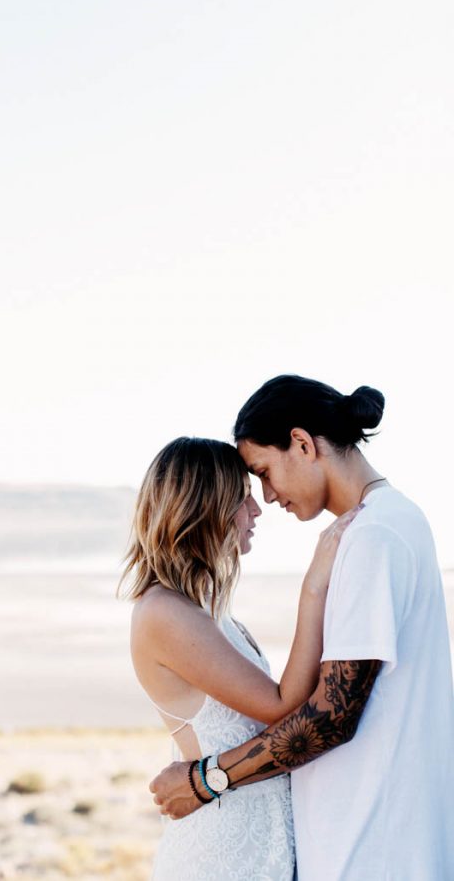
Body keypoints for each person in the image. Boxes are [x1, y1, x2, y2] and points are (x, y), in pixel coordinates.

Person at [150, 376, 454, 881]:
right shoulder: (380, 525)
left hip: (373, 846)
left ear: (303, 443)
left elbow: (331, 715)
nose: (266, 497)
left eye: (264, 472)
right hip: (359, 839)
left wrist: (205, 781)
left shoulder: (374, 536)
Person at [120, 435, 359, 880]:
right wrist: (313, 589)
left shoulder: (204, 609)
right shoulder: (165, 613)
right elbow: (282, 706)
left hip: (257, 849)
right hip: (220, 856)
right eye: (243, 499)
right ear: (204, 508)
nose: (257, 511)